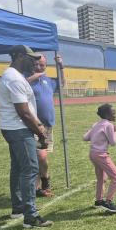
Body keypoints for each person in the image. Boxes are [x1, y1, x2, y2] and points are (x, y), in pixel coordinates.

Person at [0, 45, 53, 228]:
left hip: (13, 129)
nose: (34, 63)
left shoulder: (12, 76)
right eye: (31, 59)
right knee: (29, 170)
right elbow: (25, 113)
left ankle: (18, 208)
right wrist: (41, 132)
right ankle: (31, 216)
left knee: (18, 169)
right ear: (20, 57)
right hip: (20, 130)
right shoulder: (14, 78)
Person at [26, 54, 65, 197]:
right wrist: (37, 75)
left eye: (42, 65)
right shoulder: (27, 79)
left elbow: (61, 83)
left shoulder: (48, 81)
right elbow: (22, 83)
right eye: (36, 64)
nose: (38, 67)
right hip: (33, 125)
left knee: (41, 157)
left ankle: (40, 186)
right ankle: (45, 182)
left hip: (47, 125)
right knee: (39, 156)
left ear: (46, 65)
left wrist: (61, 66)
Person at [83, 104, 116, 213]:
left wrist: (90, 130)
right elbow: (113, 142)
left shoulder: (96, 124)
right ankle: (108, 202)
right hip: (101, 155)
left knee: (102, 178)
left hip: (93, 154)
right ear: (106, 114)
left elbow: (85, 137)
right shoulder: (109, 125)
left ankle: (99, 201)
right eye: (113, 113)